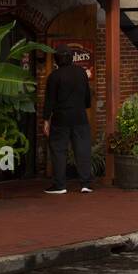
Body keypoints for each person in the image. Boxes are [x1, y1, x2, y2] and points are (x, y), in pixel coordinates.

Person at [42, 46, 94, 195]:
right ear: (71, 58)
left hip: (61, 118)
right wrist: (84, 106)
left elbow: (49, 100)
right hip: (80, 116)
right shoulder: (81, 73)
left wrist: (46, 120)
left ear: (56, 60)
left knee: (58, 150)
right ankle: (86, 184)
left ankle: (60, 185)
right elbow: (87, 97)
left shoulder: (54, 76)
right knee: (83, 149)